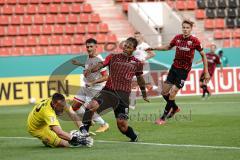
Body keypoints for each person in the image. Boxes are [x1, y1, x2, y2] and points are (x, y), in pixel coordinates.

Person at [79, 37, 149, 142]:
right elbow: (101, 64)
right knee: (90, 106)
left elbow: (140, 79)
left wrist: (144, 93)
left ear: (133, 49)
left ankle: (134, 136)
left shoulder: (138, 63)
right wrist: (91, 70)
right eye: (125, 46)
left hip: (123, 96)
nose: (125, 48)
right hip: (108, 91)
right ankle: (84, 135)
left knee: (122, 126)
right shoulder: (113, 57)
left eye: (129, 47)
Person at [147, 19, 210, 125]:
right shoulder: (177, 38)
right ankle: (175, 108)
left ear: (191, 29)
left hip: (183, 71)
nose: (185, 29)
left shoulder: (195, 41)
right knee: (164, 93)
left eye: (187, 28)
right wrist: (154, 47)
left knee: (173, 92)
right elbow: (167, 47)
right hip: (174, 68)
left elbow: (203, 55)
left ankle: (163, 118)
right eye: (184, 27)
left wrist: (206, 71)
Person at [71, 38, 109, 133]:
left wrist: (93, 82)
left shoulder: (100, 60)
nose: (89, 48)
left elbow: (106, 76)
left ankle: (103, 124)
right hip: (87, 86)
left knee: (89, 108)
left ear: (96, 47)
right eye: (87, 46)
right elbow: (89, 66)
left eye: (91, 46)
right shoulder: (89, 57)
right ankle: (89, 120)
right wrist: (79, 64)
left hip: (96, 88)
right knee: (75, 106)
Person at [27, 93, 92, 147]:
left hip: (41, 120)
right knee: (63, 143)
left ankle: (49, 140)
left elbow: (73, 114)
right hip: (37, 128)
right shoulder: (48, 113)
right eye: (61, 107)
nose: (63, 108)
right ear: (55, 104)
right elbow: (59, 133)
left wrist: (83, 129)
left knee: (63, 135)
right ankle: (48, 140)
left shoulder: (58, 102)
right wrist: (76, 139)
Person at [129, 32, 156, 109]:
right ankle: (133, 102)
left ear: (141, 36)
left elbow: (153, 54)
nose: (136, 37)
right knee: (134, 84)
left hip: (143, 67)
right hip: (135, 67)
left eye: (138, 36)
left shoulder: (145, 45)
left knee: (136, 83)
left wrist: (144, 58)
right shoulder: (133, 45)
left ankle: (133, 102)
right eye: (135, 36)